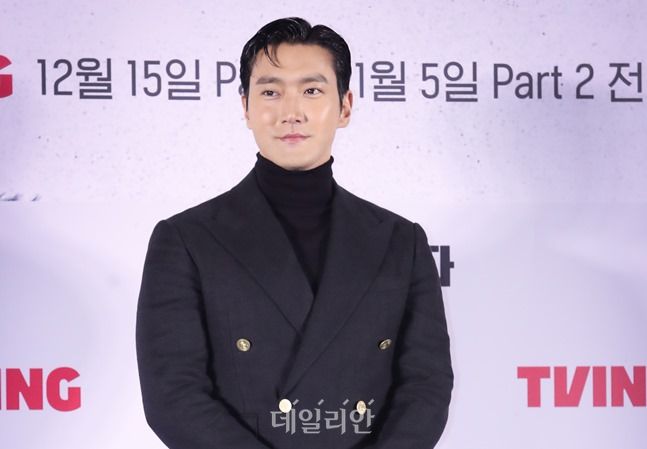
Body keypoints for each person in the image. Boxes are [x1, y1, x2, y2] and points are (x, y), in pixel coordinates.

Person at [136, 16, 453, 449]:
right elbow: (172, 396)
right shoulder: (186, 240)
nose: (291, 112)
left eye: (312, 90)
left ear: (345, 107)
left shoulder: (401, 242)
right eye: (270, 92)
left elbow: (426, 386)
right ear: (245, 107)